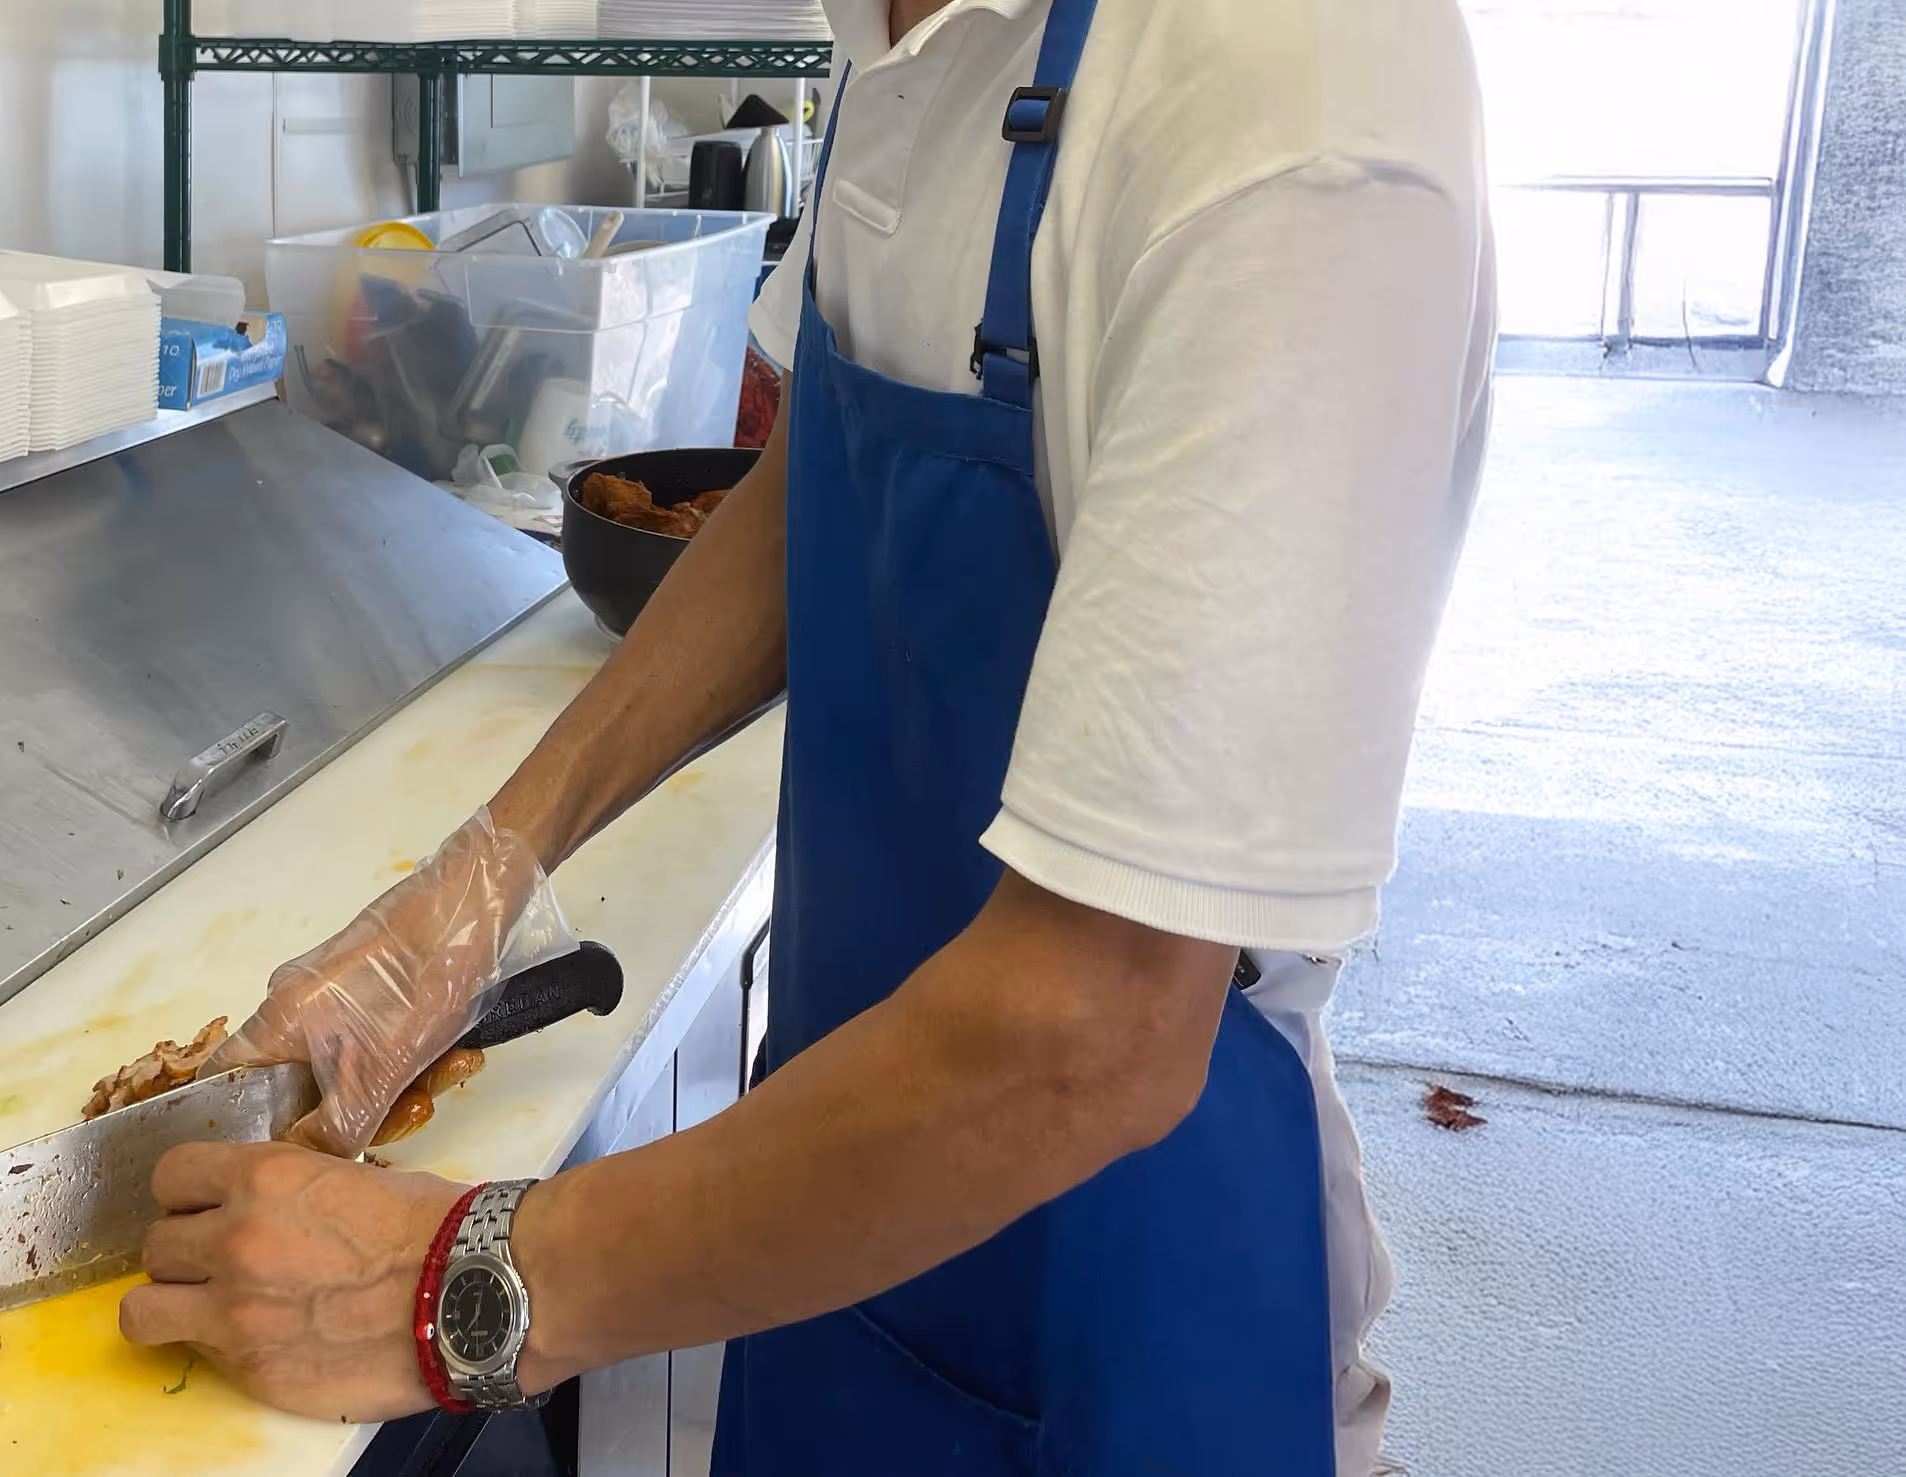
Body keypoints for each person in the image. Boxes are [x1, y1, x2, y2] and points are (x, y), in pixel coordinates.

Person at [117, 0, 1496, 1469]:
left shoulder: (1290, 102)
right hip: (829, 1177)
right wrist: (488, 870)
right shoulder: (891, 40)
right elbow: (801, 489)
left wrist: (465, 1283)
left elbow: (1092, 1029)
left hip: (1119, 1254)